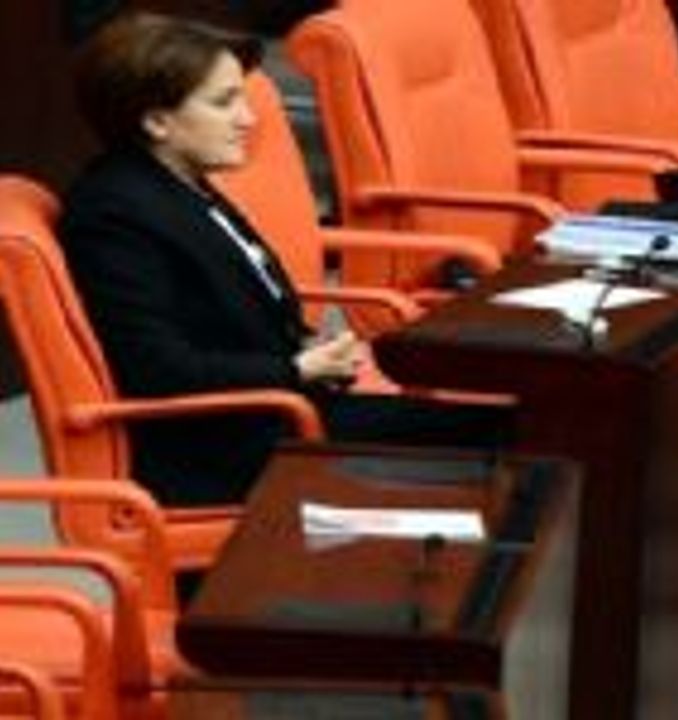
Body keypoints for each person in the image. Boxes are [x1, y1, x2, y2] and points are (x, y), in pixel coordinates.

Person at [59, 12, 511, 507]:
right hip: (232, 450)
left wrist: (310, 359)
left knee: (526, 426)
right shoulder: (115, 215)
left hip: (280, 410)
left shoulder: (177, 181)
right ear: (156, 121)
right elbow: (157, 368)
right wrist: (294, 368)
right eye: (223, 103)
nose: (247, 120)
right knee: (520, 438)